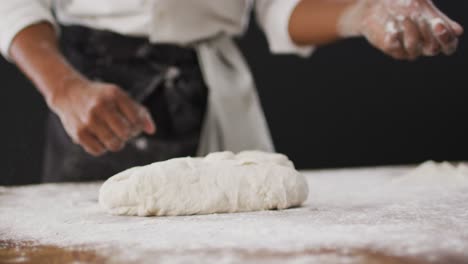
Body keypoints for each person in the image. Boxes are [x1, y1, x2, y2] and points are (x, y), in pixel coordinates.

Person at [0, 0, 463, 182]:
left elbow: (279, 7)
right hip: (93, 94)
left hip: (211, 91)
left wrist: (361, 13)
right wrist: (64, 88)